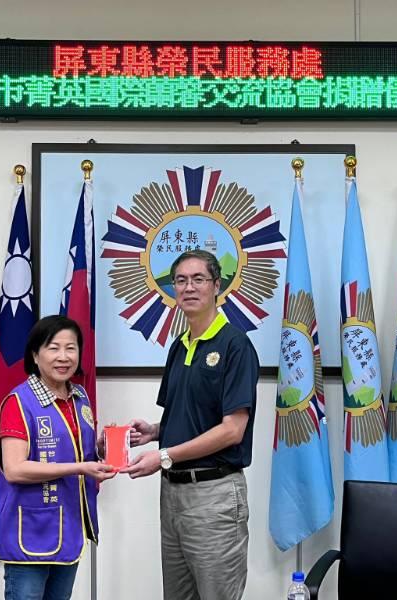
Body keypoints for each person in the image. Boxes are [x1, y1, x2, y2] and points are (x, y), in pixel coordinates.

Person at [123, 249, 259, 600]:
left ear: (217, 285)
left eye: (198, 279)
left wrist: (164, 455)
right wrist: (155, 432)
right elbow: (191, 415)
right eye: (180, 281)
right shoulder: (178, 345)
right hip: (173, 496)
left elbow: (232, 429)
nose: (188, 287)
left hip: (213, 497)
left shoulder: (235, 345)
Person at [0, 315, 115, 600]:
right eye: (53, 348)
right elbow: (14, 469)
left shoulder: (80, 397)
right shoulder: (19, 402)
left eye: (71, 348)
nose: (63, 357)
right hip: (29, 531)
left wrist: (103, 448)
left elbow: (76, 451)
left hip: (68, 527)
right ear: (35, 355)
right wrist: (81, 468)